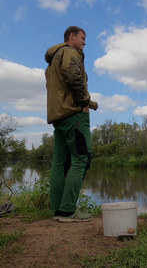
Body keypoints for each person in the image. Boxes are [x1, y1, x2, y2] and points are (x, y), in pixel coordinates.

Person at [44, 26, 98, 222]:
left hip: (58, 117)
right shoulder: (69, 52)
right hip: (74, 115)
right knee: (81, 160)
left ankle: (59, 209)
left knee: (59, 162)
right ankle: (68, 210)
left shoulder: (52, 61)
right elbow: (72, 74)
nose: (85, 42)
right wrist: (85, 101)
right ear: (72, 37)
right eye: (83, 38)